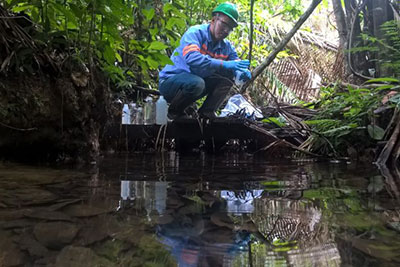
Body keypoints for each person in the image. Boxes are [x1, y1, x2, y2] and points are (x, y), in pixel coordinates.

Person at [158, 2, 251, 119]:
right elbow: (192, 58)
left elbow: (236, 63)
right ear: (213, 20)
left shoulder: (226, 47)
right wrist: (224, 64)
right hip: (170, 83)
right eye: (224, 24)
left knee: (227, 76)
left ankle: (206, 113)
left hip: (195, 85)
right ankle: (174, 112)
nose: (226, 30)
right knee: (197, 83)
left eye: (230, 28)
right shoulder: (196, 33)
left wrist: (241, 72)